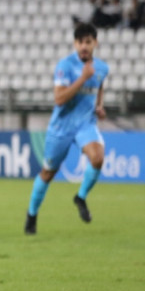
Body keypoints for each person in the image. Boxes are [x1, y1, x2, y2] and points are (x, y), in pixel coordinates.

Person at [25, 24, 109, 235]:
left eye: (88, 42)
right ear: (75, 44)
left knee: (98, 157)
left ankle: (80, 197)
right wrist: (82, 78)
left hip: (85, 125)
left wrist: (99, 106)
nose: (84, 46)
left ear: (95, 43)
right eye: (80, 42)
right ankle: (32, 214)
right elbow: (59, 99)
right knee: (47, 173)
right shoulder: (65, 66)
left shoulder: (102, 68)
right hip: (61, 127)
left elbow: (99, 85)